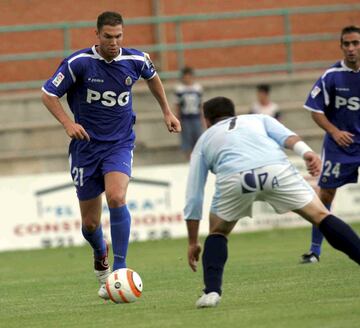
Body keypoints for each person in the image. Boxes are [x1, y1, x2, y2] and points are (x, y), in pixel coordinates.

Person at [41, 11, 181, 299]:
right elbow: (48, 94)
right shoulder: (78, 63)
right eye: (108, 37)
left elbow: (153, 78)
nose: (114, 42)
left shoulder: (136, 60)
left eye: (118, 36)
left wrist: (166, 111)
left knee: (116, 197)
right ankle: (100, 250)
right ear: (97, 35)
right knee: (90, 225)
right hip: (85, 147)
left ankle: (119, 269)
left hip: (119, 143)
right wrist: (68, 123)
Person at [184, 96, 360, 308]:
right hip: (274, 169)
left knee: (218, 233)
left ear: (206, 120)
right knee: (321, 216)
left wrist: (193, 242)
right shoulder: (258, 119)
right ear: (234, 113)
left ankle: (212, 292)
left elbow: (194, 195)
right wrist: (308, 153)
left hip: (235, 178)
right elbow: (289, 138)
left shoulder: (203, 141)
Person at [300, 25, 360, 264]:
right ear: (341, 46)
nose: (351, 48)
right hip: (340, 145)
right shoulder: (331, 76)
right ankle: (315, 250)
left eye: (355, 43)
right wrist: (334, 132)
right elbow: (315, 110)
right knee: (326, 193)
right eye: (346, 44)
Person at [174, 66, 204, 159]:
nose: (187, 78)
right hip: (185, 117)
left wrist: (202, 117)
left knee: (198, 138)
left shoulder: (197, 88)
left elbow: (200, 104)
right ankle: (188, 158)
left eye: (189, 76)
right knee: (186, 139)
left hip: (196, 116)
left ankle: (197, 158)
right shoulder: (179, 89)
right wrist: (177, 117)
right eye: (185, 76)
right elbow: (177, 104)